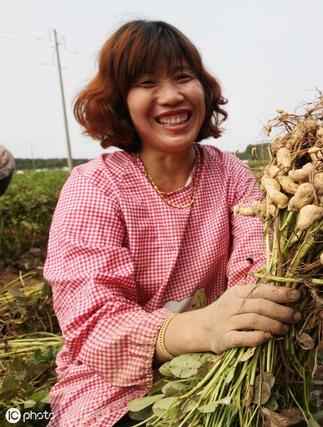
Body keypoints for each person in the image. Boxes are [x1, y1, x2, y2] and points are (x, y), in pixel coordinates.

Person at [44, 20, 300, 427]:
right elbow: (93, 323)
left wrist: (244, 312)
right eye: (146, 83)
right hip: (111, 387)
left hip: (222, 368)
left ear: (203, 88)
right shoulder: (95, 186)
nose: (171, 96)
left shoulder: (230, 173)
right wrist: (202, 327)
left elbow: (257, 265)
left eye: (183, 77)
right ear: (119, 101)